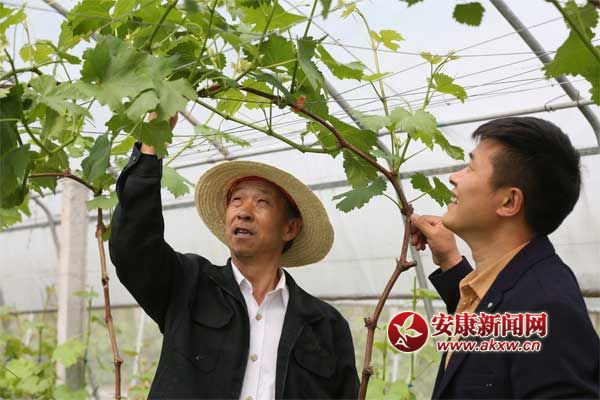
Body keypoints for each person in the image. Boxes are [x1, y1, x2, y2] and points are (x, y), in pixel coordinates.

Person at [108, 114, 359, 399]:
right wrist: (152, 142)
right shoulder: (187, 283)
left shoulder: (326, 326)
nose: (243, 211)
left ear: (290, 229)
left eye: (261, 202)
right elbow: (134, 247)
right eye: (237, 200)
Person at [410, 117, 599, 399]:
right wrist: (450, 261)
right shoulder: (514, 289)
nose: (454, 177)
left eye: (471, 168)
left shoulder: (548, 307)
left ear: (509, 202)